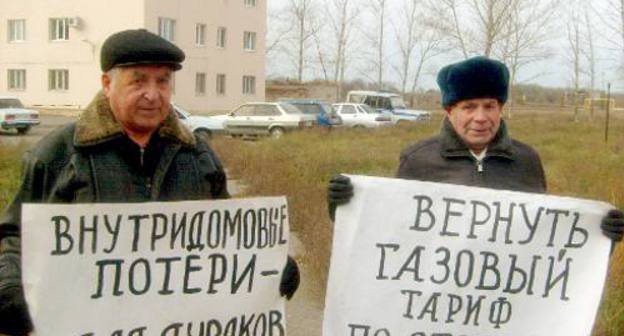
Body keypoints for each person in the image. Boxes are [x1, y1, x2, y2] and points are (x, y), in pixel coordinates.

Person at [0, 29, 298, 336]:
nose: (152, 94)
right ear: (107, 84)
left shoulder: (197, 155)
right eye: (138, 81)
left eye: (163, 81)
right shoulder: (60, 155)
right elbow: (16, 234)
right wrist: (9, 287)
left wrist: (268, 262)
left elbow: (228, 234)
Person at [328, 56, 623, 241]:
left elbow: (545, 236)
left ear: (500, 108)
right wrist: (345, 208)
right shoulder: (418, 160)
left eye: (489, 106)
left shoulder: (526, 160)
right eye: (469, 107)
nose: (480, 117)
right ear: (449, 111)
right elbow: (388, 230)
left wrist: (598, 234)